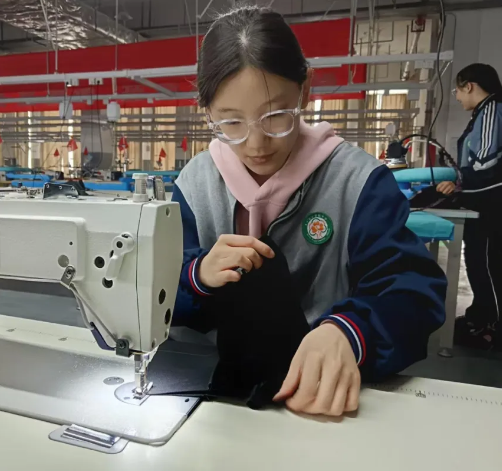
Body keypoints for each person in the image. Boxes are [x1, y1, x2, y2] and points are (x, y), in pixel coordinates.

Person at [172, 6, 447, 417]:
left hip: (324, 402)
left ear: (305, 91)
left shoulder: (358, 183)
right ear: (207, 111)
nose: (256, 144)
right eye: (231, 123)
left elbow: (412, 291)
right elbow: (155, 290)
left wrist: (351, 332)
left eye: (275, 116)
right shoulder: (193, 187)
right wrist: (196, 277)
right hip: (217, 405)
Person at [438, 63, 502, 348]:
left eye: (457, 90)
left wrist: (458, 182)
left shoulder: (491, 110)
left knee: (487, 263)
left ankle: (493, 326)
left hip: (491, 204)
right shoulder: (483, 113)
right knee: (478, 260)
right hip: (483, 201)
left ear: (470, 86)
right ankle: (482, 316)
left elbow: (484, 162)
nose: (456, 96)